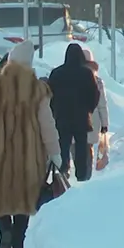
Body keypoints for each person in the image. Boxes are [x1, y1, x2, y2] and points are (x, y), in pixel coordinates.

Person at [0, 40, 62, 248]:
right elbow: (47, 124)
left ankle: (4, 230)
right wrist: (55, 152)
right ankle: (19, 243)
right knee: (25, 199)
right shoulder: (38, 90)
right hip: (29, 155)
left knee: (0, 195)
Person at [47, 43, 101, 182]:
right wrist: (89, 109)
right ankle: (82, 174)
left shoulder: (57, 73)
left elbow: (49, 95)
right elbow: (95, 94)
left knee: (63, 145)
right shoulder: (86, 73)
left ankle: (63, 172)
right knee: (81, 147)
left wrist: (54, 110)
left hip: (62, 117)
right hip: (81, 118)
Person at [82, 48, 110, 180]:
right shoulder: (97, 82)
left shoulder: (72, 80)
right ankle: (86, 176)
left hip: (74, 125)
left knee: (75, 150)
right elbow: (102, 105)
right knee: (88, 151)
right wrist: (105, 125)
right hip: (93, 124)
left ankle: (79, 176)